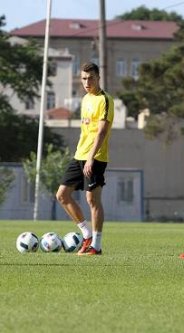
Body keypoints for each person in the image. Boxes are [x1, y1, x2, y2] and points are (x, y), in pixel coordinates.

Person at [56, 62, 114, 256]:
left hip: (95, 157)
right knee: (62, 195)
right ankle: (86, 234)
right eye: (83, 78)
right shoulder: (85, 99)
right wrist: (81, 155)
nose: (87, 82)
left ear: (98, 77)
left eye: (90, 78)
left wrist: (90, 158)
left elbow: (101, 132)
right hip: (79, 155)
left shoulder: (105, 100)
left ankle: (96, 246)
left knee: (92, 199)